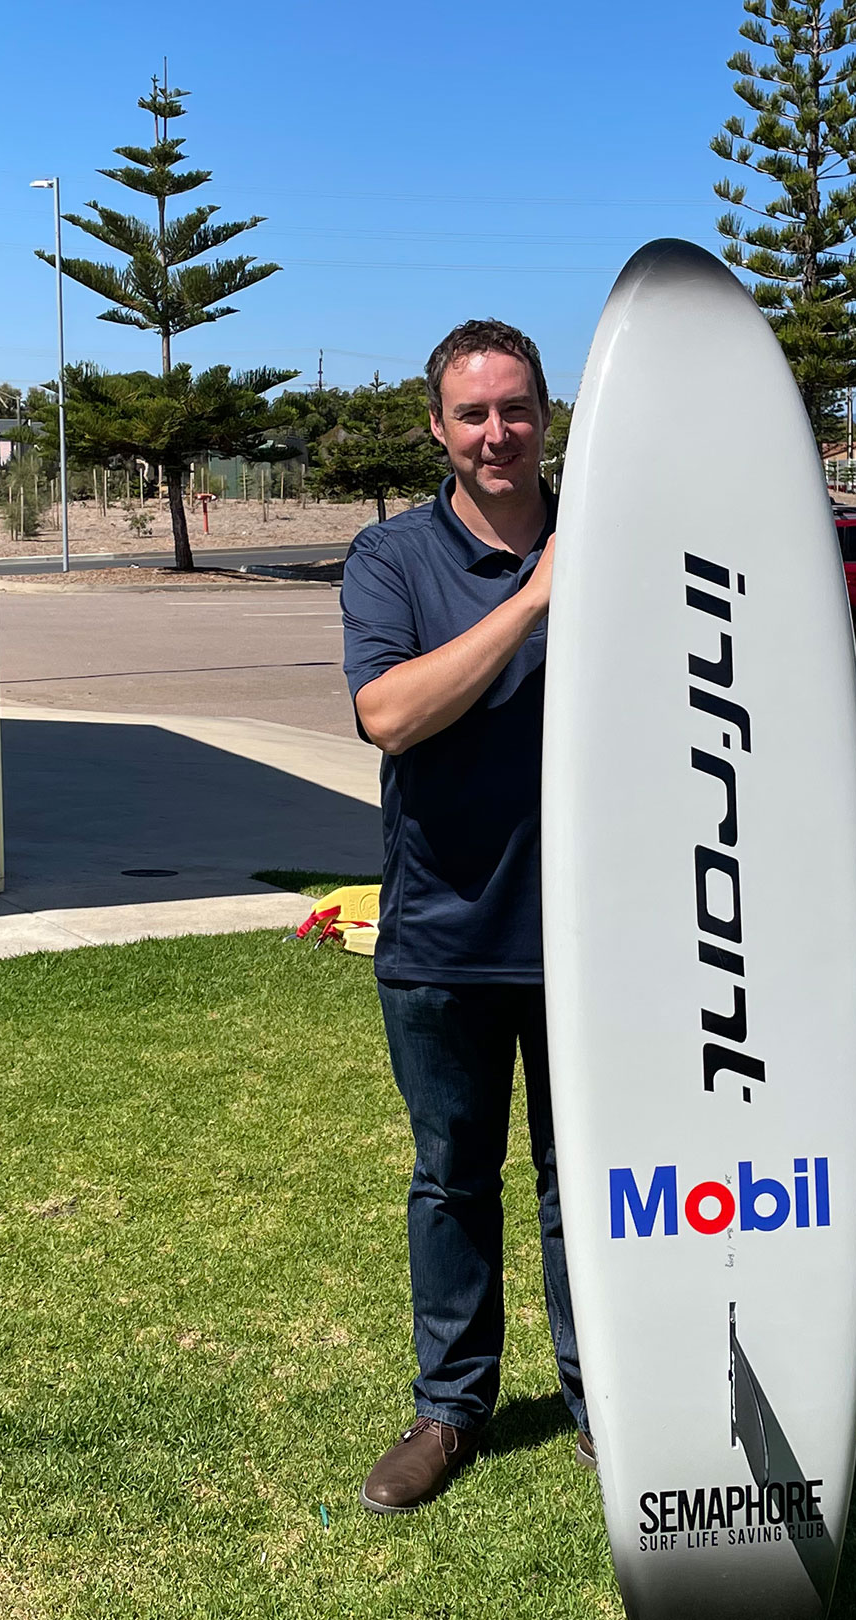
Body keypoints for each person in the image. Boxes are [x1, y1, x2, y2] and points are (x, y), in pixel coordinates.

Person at [341, 318, 583, 1514]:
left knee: (584, 1181)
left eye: (517, 408)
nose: (498, 433)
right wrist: (536, 599)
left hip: (597, 938)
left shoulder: (619, 542)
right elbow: (389, 715)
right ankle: (450, 1412)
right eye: (473, 413)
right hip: (443, 933)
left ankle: (606, 1405)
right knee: (453, 1179)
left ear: (551, 417)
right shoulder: (392, 560)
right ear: (438, 429)